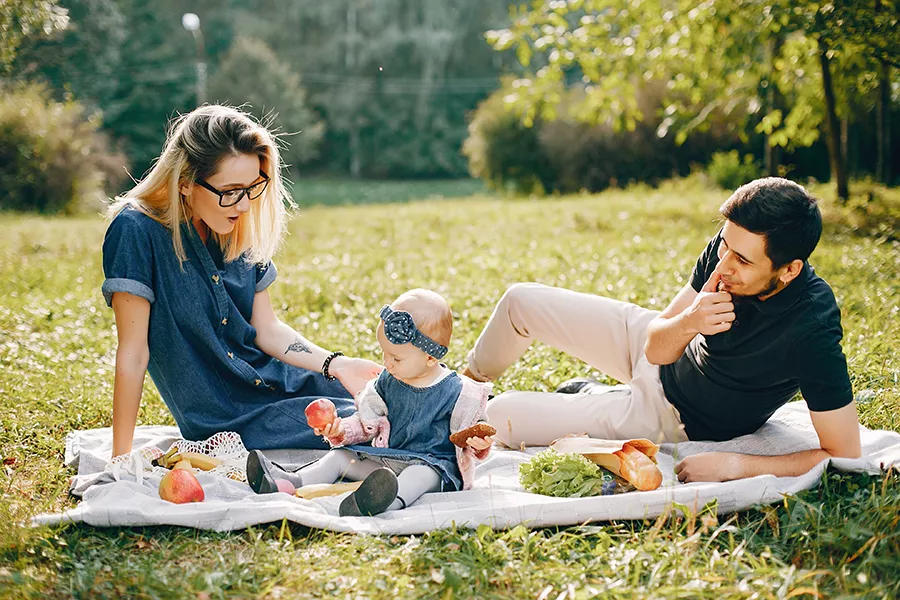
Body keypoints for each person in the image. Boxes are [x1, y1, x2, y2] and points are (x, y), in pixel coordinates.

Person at [461, 177, 862, 483]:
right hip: (661, 344)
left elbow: (844, 451)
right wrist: (691, 322)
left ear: (789, 270)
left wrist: (734, 464)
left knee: (501, 413)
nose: (723, 266)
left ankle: (597, 397)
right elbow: (655, 345)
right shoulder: (727, 250)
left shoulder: (811, 329)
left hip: (673, 414)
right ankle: (458, 393)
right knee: (520, 301)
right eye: (724, 246)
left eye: (741, 260)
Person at [102, 105, 382, 458]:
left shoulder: (232, 225)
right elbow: (133, 352)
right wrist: (121, 459)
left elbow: (267, 329)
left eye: (252, 188)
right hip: (234, 415)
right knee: (376, 426)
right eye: (232, 190)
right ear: (185, 182)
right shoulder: (135, 231)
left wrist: (336, 364)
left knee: (402, 394)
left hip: (286, 380)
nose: (246, 205)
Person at [246, 289, 494, 517]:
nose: (387, 363)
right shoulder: (387, 381)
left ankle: (385, 502)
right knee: (340, 457)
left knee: (418, 474)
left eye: (396, 357)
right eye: (384, 353)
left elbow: (473, 432)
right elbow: (368, 422)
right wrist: (341, 429)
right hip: (388, 460)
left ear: (430, 357)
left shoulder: (459, 391)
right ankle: (290, 482)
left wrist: (478, 443)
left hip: (433, 468)